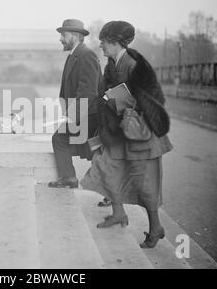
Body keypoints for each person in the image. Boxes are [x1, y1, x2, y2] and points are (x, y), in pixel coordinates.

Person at [80, 21, 173, 248]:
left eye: (103, 41)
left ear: (114, 42)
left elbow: (149, 99)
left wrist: (113, 98)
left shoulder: (132, 64)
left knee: (145, 182)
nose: (100, 45)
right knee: (105, 167)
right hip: (118, 131)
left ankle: (156, 228)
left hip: (141, 133)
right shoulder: (112, 63)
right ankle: (119, 213)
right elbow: (104, 94)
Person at [48, 19, 103, 188]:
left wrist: (72, 118)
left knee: (60, 139)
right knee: (96, 153)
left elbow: (87, 93)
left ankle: (69, 178)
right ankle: (107, 186)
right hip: (84, 115)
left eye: (63, 35)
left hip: (89, 116)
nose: (61, 39)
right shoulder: (76, 54)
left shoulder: (86, 55)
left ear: (74, 36)